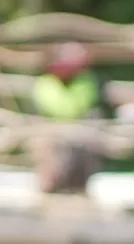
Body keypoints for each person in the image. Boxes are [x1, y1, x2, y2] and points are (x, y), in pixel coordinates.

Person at [31, 41, 105, 193]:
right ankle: (49, 185)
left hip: (80, 127)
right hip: (53, 128)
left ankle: (80, 186)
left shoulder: (87, 81)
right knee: (44, 144)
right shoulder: (46, 82)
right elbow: (53, 107)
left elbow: (82, 105)